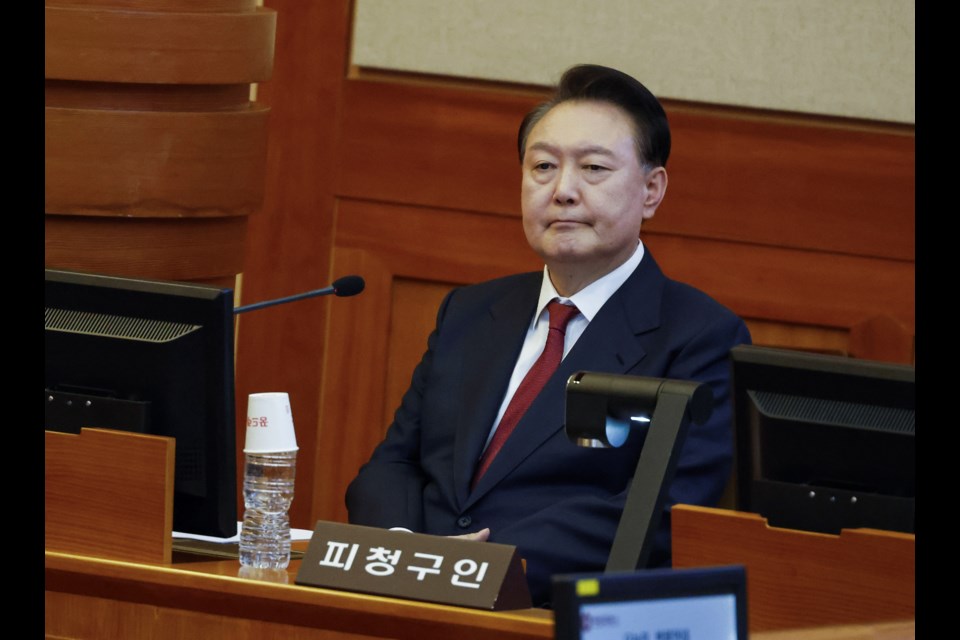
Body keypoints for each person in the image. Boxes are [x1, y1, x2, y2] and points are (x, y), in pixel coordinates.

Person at [345, 63, 752, 607]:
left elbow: (656, 513)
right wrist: (402, 551)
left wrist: (476, 567)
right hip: (411, 599)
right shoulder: (470, 311)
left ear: (652, 190)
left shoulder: (700, 337)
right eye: (542, 166)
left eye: (593, 169)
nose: (562, 191)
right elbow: (395, 462)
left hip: (546, 609)